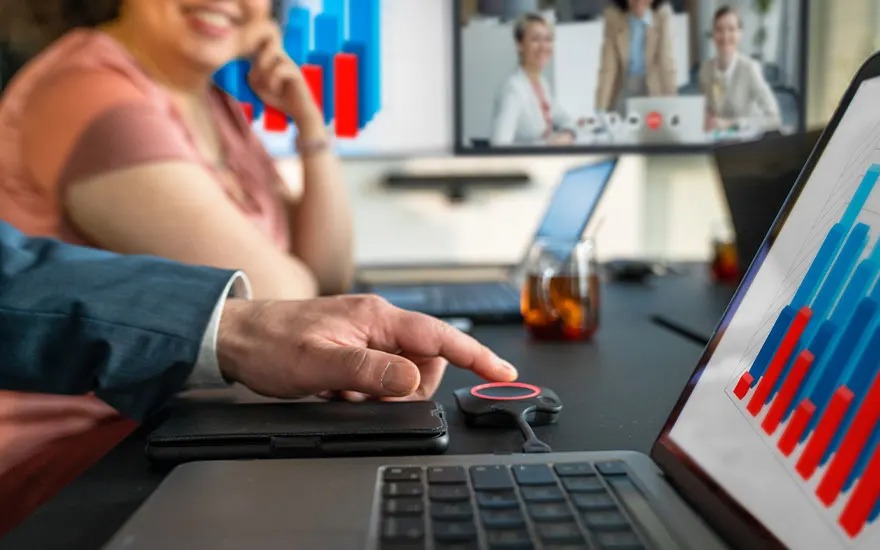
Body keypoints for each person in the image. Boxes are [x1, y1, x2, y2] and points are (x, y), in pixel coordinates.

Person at [0, 220, 518, 533]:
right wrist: (245, 326)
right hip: (75, 446)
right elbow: (293, 282)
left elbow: (328, 269)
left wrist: (314, 129)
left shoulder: (223, 109)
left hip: (152, 408)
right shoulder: (99, 95)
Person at [0, 0, 352, 300]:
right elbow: (279, 299)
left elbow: (330, 276)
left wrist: (311, 126)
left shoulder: (212, 104)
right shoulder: (91, 96)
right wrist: (306, 283)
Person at [490, 13, 578, 146]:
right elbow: (499, 146)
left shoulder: (541, 83)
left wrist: (569, 133)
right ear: (519, 45)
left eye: (548, 39)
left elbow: (565, 119)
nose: (544, 46)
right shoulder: (513, 90)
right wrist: (547, 144)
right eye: (536, 39)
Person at [699, 6, 781, 133]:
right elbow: (706, 108)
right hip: (715, 141)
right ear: (713, 34)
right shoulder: (706, 69)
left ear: (740, 33)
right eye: (719, 30)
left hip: (744, 143)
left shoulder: (750, 69)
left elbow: (775, 118)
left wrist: (732, 124)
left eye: (731, 29)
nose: (725, 36)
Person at [595, 0, 677, 115]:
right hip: (624, 85)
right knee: (620, 126)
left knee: (655, 128)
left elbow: (667, 62)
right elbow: (608, 67)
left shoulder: (663, 15)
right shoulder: (613, 16)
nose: (638, 1)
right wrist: (600, 108)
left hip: (654, 86)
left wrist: (673, 104)